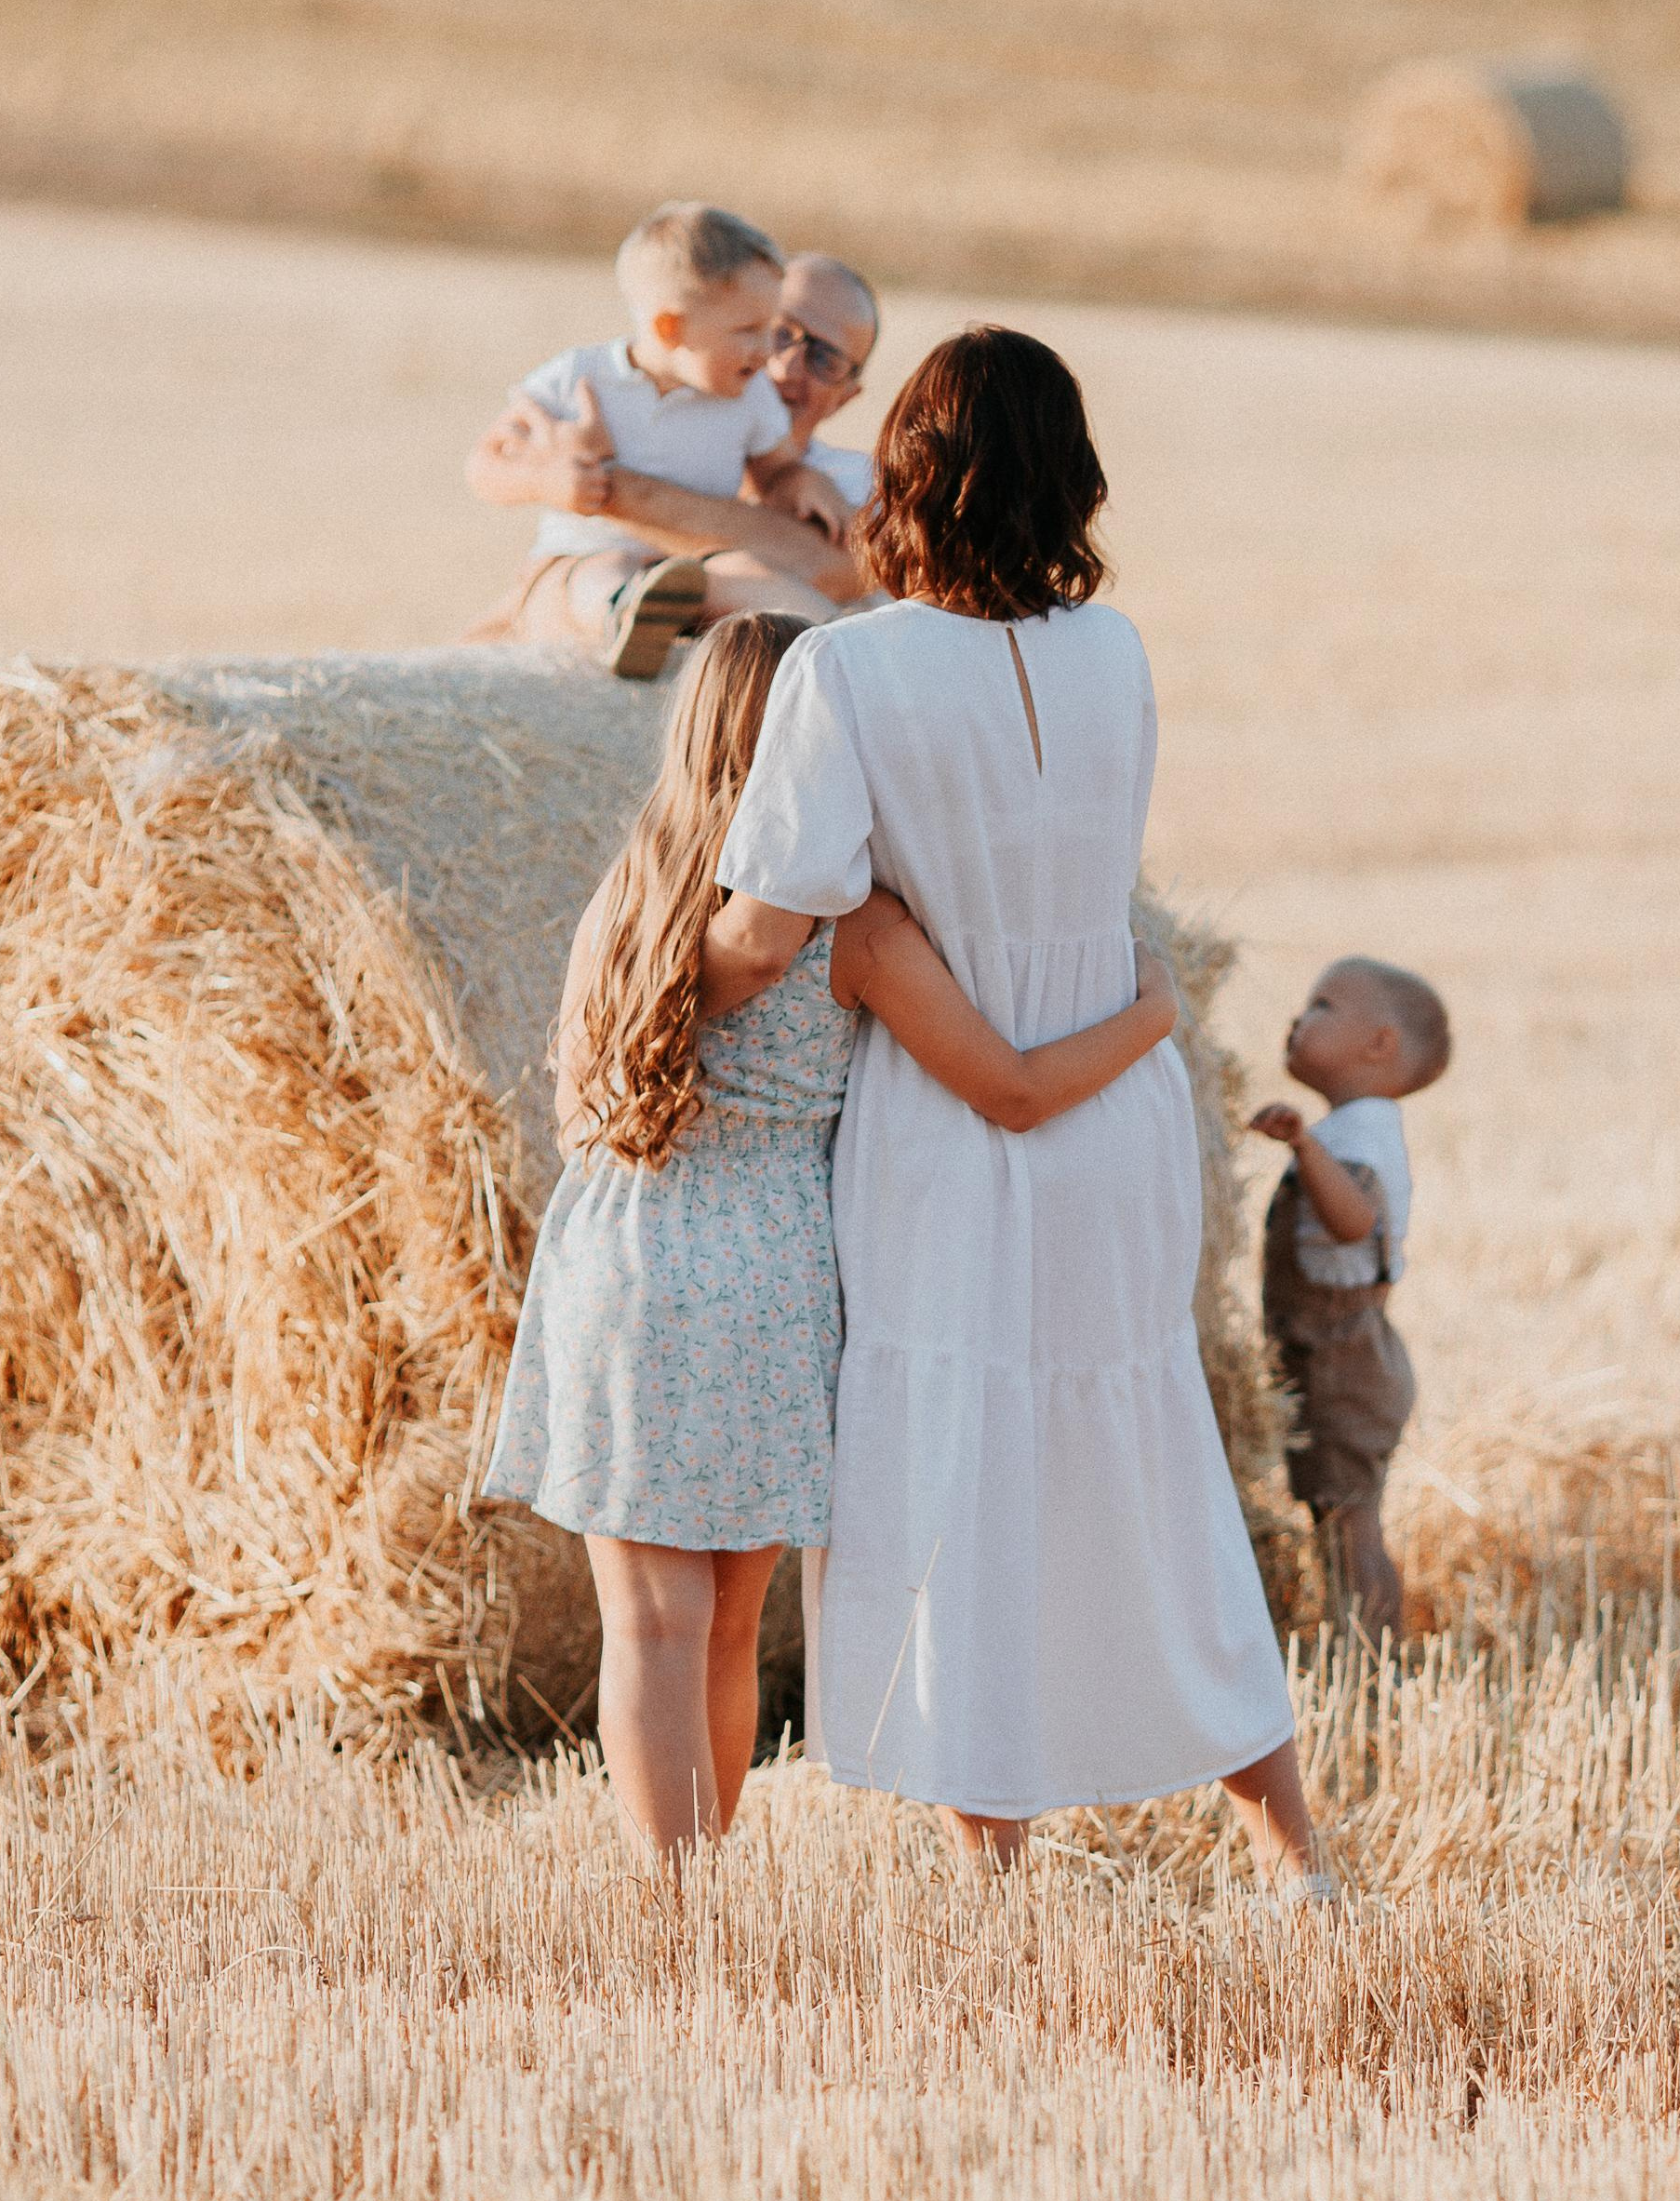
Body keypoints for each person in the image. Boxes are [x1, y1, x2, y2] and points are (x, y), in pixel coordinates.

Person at [702, 327, 1328, 1888]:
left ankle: (996, 1872)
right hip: (1118, 1102)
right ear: (1072, 475)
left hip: (948, 1122)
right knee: (1151, 1462)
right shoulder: (1115, 653)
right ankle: (1296, 1855)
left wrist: (651, 1001)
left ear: (906, 472)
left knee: (960, 1461)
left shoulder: (846, 669)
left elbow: (775, 919)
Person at [481, 610, 1181, 1861]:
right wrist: (1151, 1018)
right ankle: (698, 1885)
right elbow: (1009, 1086)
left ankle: (673, 1909)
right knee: (734, 1629)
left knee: (648, 1624)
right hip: (777, 1267)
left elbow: (579, 1099)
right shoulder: (856, 926)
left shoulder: (632, 899)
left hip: (626, 1255)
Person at [462, 203, 842, 674]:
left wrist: (805, 483)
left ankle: (830, 645)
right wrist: (547, 482)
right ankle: (630, 622)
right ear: (671, 328)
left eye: (771, 328)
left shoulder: (750, 395)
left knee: (759, 580)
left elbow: (776, 471)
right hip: (579, 559)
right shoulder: (580, 376)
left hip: (695, 569)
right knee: (601, 579)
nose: (766, 351)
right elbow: (484, 466)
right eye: (747, 330)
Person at [1248, 957, 1452, 1644]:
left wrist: (1306, 1148)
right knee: (1339, 1518)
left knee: (1350, 1523)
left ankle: (1375, 1658)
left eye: (1322, 1005)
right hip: (1337, 1350)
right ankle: (1359, 1643)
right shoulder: (1357, 1126)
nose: (1298, 1019)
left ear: (1379, 1046)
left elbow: (1355, 1220)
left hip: (1343, 1358)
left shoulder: (1355, 1136)